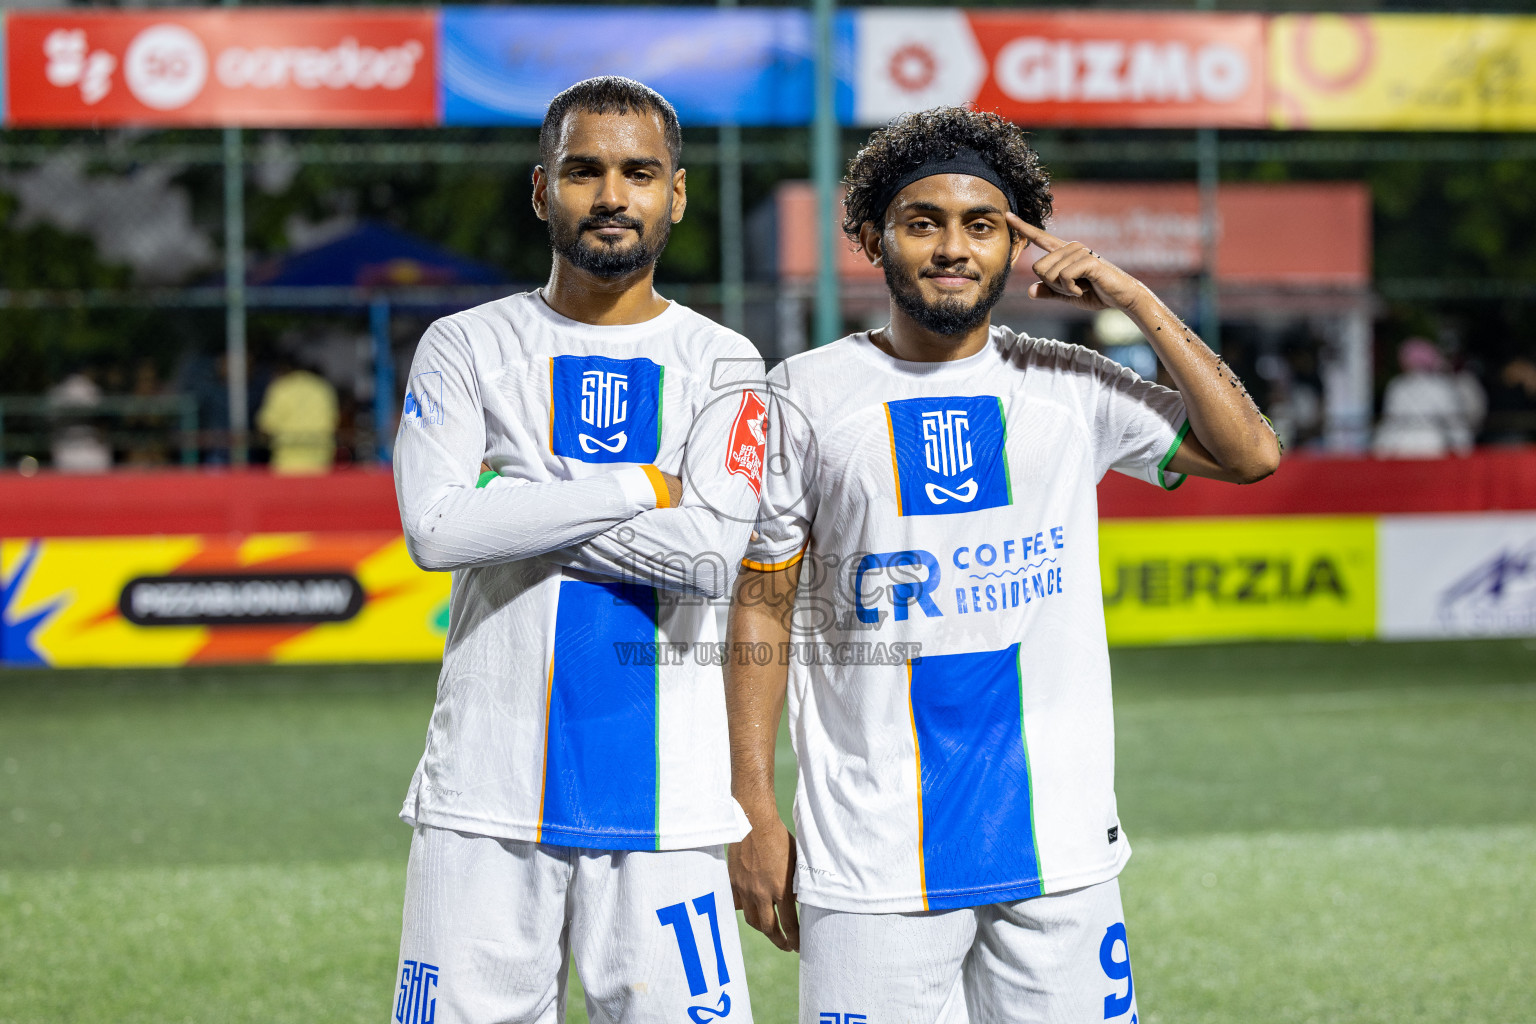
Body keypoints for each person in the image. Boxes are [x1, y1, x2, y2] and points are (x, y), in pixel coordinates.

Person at [726, 106, 1279, 1023]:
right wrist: (752, 801)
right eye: (922, 222)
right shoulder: (803, 396)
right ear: (872, 239)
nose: (952, 247)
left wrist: (1134, 299)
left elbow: (1251, 453)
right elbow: (761, 603)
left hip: (1058, 851)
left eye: (981, 225)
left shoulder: (1071, 386)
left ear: (1016, 244)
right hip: (872, 857)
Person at [391, 77, 763, 1024]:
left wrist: (512, 505)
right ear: (540, 189)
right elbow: (435, 532)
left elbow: (709, 558)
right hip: (485, 793)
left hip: (669, 807)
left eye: (639, 172)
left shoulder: (725, 362)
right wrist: (642, 486)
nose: (611, 195)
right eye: (583, 170)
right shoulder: (465, 346)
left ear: (675, 194)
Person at [1372, 336, 1486, 457]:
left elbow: (1391, 421)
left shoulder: (1397, 385)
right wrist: (1464, 448)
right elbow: (1453, 420)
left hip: (1401, 446)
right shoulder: (1440, 386)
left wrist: (1380, 449)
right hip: (1432, 445)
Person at [255, 355, 339, 474]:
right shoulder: (322, 388)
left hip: (287, 462)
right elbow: (333, 422)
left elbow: (266, 425)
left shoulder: (281, 388)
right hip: (320, 461)